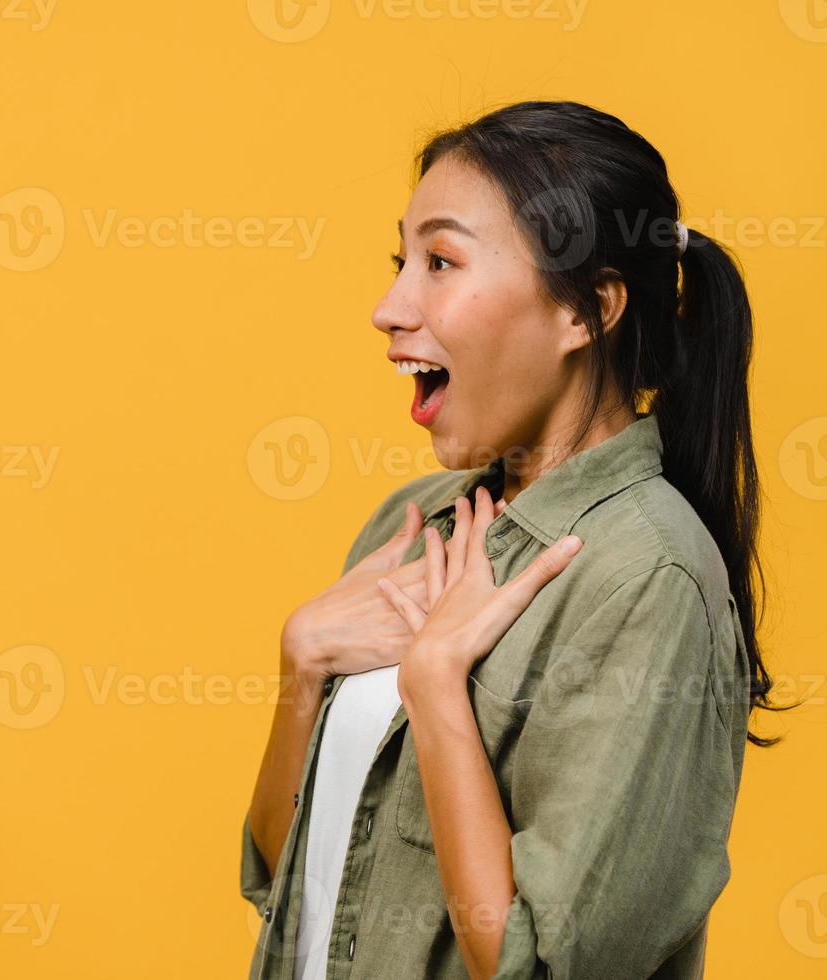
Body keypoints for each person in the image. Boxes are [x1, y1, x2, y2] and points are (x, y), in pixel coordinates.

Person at [241, 100, 787, 980]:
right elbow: (285, 883)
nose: (388, 308)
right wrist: (300, 668)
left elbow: (537, 968)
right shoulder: (412, 525)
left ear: (586, 311)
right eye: (401, 260)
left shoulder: (644, 577)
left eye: (442, 261)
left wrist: (436, 689)